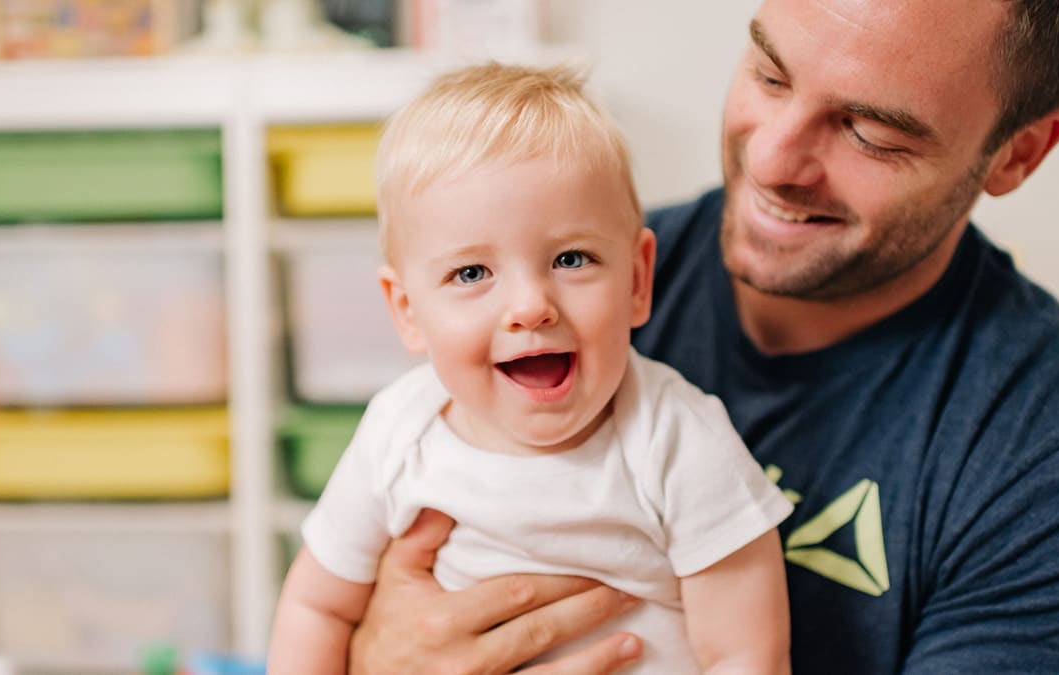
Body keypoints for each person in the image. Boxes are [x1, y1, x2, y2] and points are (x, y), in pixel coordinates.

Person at [344, 0, 1059, 673]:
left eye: (871, 131)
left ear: (1018, 153)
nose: (775, 160)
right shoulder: (556, 297)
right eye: (771, 74)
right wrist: (377, 655)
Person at [267, 63, 795, 675]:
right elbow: (316, 609)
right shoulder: (398, 434)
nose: (528, 307)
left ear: (637, 279)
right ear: (407, 312)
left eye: (571, 258)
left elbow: (745, 655)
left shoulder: (677, 438)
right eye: (471, 274)